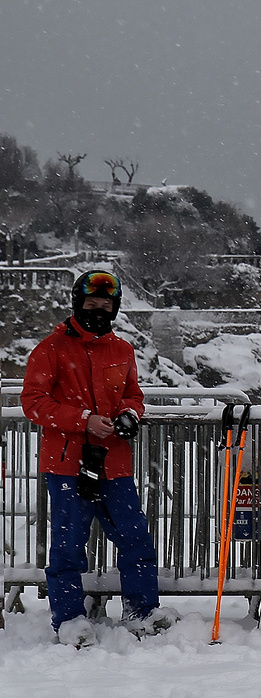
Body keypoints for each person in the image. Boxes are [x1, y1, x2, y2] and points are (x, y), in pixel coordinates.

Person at [21, 270, 174, 645]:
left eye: (106, 306)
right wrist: (84, 420)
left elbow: (133, 396)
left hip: (114, 463)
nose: (99, 311)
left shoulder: (122, 350)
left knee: (135, 539)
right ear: (78, 304)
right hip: (67, 463)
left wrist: (129, 414)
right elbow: (33, 402)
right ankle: (70, 620)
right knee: (68, 544)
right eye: (92, 305)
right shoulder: (50, 349)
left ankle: (142, 611)